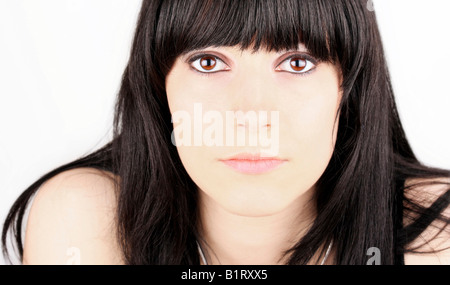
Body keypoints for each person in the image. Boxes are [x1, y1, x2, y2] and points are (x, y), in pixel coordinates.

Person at [2, 0, 450, 265]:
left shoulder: (435, 233)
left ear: (347, 91)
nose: (252, 114)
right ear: (160, 89)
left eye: (296, 62)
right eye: (209, 62)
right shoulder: (86, 215)